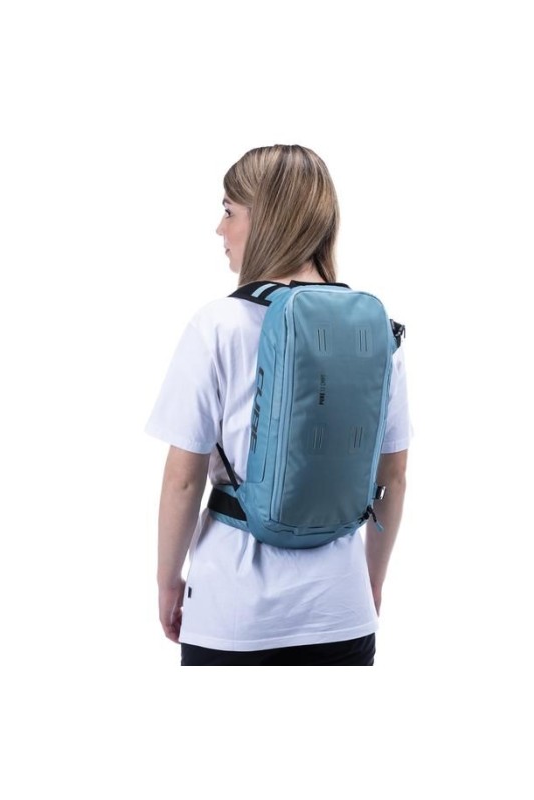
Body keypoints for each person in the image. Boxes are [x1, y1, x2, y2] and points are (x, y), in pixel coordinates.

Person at [145, 145, 410, 665]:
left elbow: (183, 479)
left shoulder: (218, 324)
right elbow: (394, 478)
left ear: (266, 219)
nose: (220, 229)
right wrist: (370, 583)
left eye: (229, 211)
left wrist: (167, 581)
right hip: (343, 612)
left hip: (233, 613)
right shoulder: (377, 330)